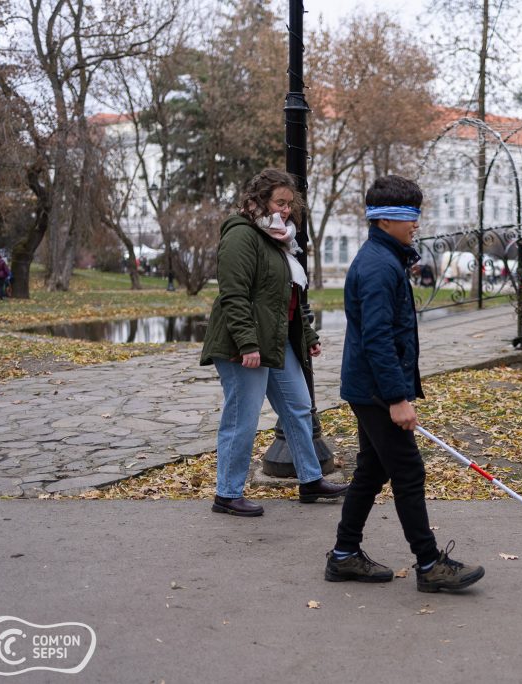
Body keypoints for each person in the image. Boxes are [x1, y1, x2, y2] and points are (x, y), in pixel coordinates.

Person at [325, 175, 484, 593]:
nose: (416, 223)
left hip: (369, 386)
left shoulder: (385, 259)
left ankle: (343, 555)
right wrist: (397, 398)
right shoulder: (378, 266)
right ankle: (429, 563)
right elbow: (377, 338)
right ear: (385, 220)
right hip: (377, 391)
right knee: (409, 471)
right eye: (409, 215)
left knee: (373, 471)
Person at [200, 168, 348, 517]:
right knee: (242, 418)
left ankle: (310, 480)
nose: (285, 209)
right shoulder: (242, 235)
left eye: (289, 204)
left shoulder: (278, 239)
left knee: (298, 407)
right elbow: (234, 294)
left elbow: (287, 297)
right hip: (244, 345)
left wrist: (307, 334)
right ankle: (227, 493)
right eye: (279, 202)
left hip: (276, 340)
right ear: (259, 200)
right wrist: (247, 344)